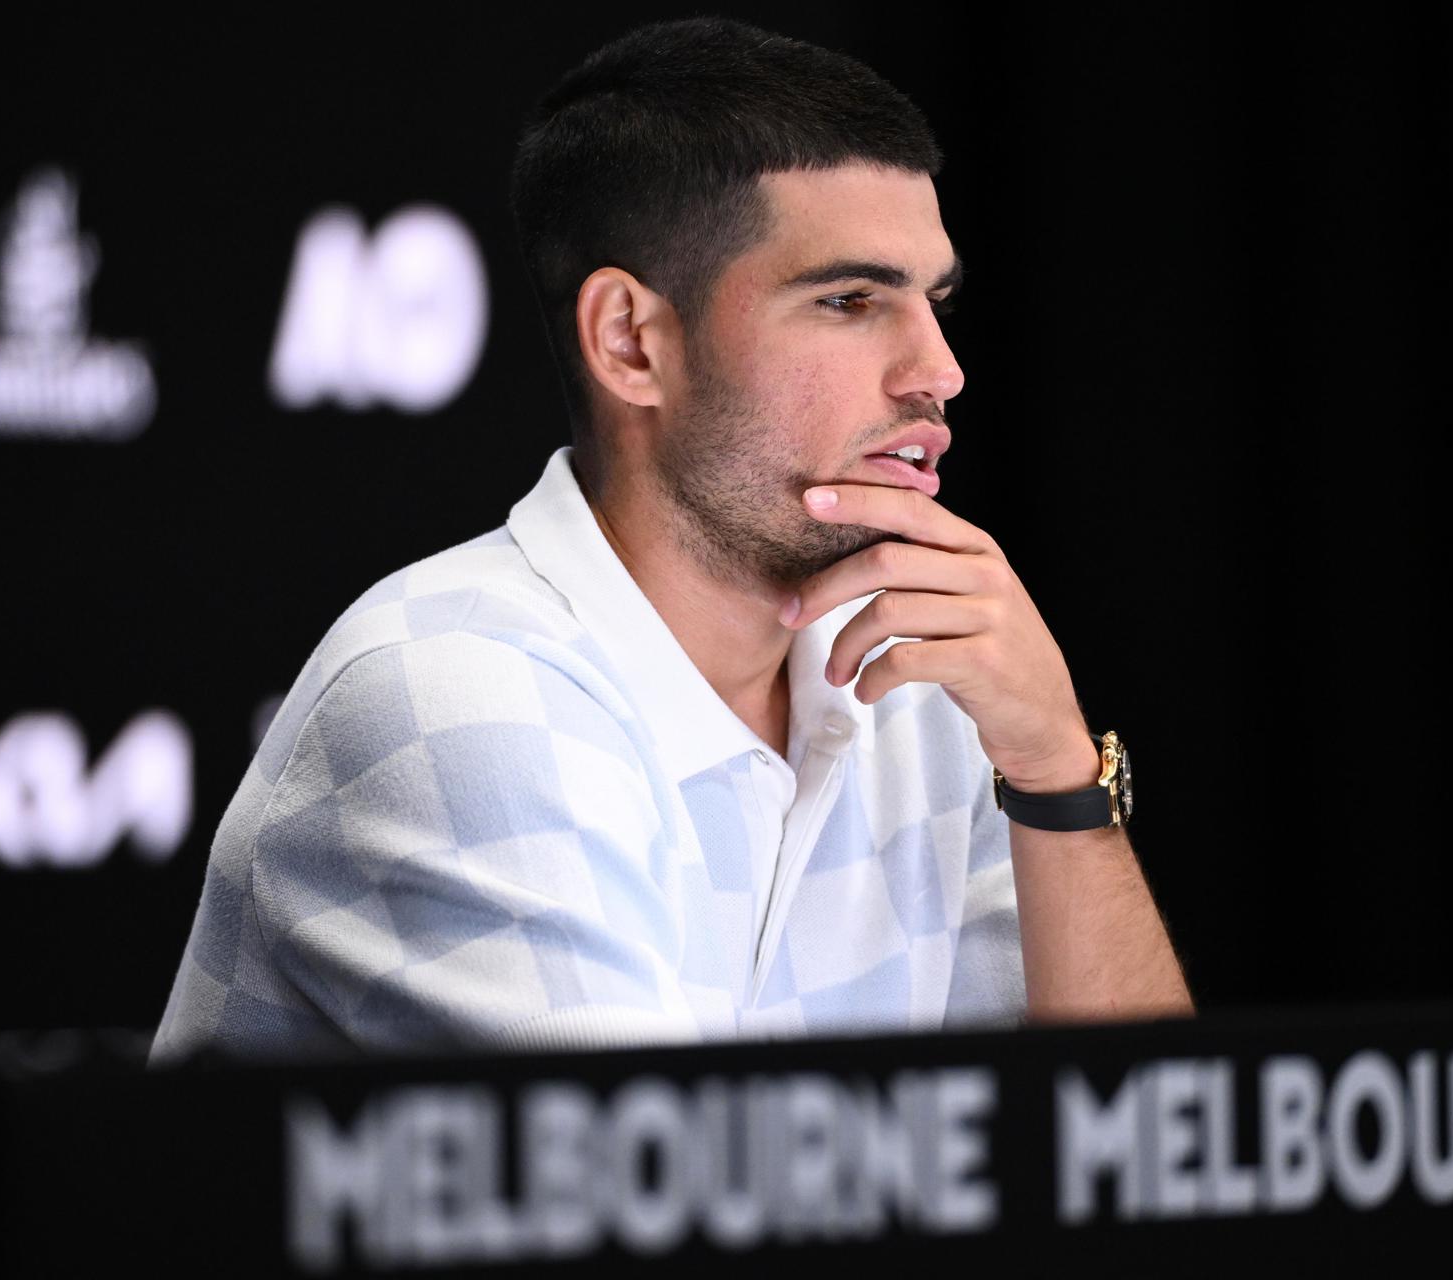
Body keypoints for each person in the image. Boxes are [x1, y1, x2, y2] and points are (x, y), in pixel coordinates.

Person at [150, 17, 1192, 1063]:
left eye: (935, 300)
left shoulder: (921, 684)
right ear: (631, 342)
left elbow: (1142, 1159)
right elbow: (660, 1202)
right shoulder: (450, 693)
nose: (940, 369)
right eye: (850, 299)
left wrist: (1057, 767)